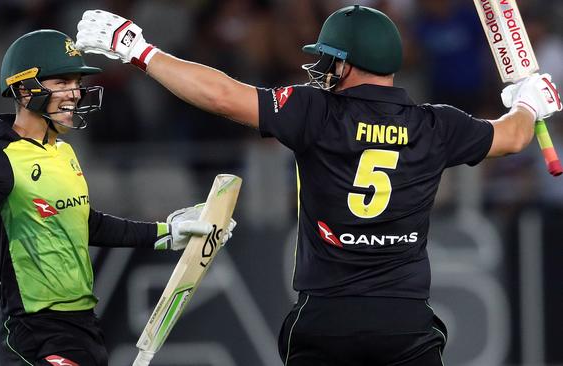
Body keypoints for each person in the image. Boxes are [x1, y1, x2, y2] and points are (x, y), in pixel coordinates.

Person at [74, 5, 562, 366]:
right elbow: (512, 136)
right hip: (405, 324)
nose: (322, 68)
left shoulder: (314, 110)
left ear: (348, 64)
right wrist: (529, 102)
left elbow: (222, 96)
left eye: (329, 59)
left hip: (325, 320)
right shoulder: (436, 125)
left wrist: (138, 50)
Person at [0, 29, 235, 366]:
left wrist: (166, 232)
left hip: (85, 330)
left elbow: (86, 223)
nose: (74, 93)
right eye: (61, 82)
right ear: (22, 88)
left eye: (75, 82)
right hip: (34, 335)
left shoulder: (64, 152)